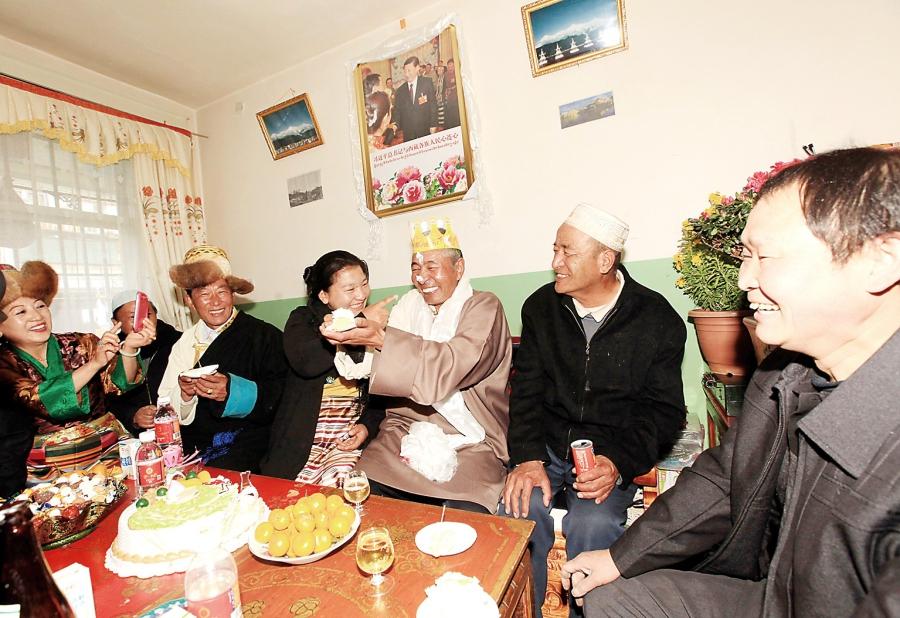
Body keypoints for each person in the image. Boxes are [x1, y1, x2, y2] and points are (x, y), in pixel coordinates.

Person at [562, 147, 900, 617]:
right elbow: (725, 478)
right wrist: (618, 558)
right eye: (745, 255)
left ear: (881, 261)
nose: (744, 279)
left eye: (765, 257)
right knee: (607, 595)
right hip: (775, 594)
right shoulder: (785, 371)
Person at [502, 204, 686, 617]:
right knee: (517, 509)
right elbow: (526, 389)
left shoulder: (658, 320)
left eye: (567, 252)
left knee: (595, 526)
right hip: (547, 448)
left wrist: (617, 462)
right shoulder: (540, 309)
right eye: (554, 250)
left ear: (606, 260)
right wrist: (528, 458)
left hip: (608, 453)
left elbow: (664, 412)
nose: (555, 263)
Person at [322, 219, 512, 513]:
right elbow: (371, 363)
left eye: (431, 267)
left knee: (466, 516)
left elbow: (453, 365)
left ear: (458, 268)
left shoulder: (483, 307)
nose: (422, 277)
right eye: (415, 268)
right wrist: (353, 336)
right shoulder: (409, 306)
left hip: (472, 438)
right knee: (358, 499)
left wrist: (381, 337)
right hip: (405, 429)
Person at [0, 261, 155, 474]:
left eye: (40, 306)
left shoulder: (81, 342)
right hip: (46, 470)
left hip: (109, 452)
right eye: (20, 312)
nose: (36, 317)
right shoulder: (4, 363)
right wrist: (94, 364)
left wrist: (128, 347)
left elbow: (117, 384)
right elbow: (39, 398)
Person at [260, 251, 390, 485]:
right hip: (302, 438)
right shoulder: (303, 320)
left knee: (346, 490)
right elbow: (306, 363)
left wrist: (366, 427)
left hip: (347, 438)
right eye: (350, 289)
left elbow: (384, 392)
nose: (361, 295)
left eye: (364, 284)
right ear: (323, 295)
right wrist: (356, 322)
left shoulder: (375, 326)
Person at [158, 245, 287, 472]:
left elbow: (283, 394)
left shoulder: (265, 336)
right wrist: (186, 395)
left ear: (233, 294)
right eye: (204, 294)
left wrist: (234, 392)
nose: (215, 302)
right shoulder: (184, 344)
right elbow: (166, 405)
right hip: (194, 445)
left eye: (222, 291)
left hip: (250, 442)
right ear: (188, 300)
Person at [105, 290, 181, 435]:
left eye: (148, 315)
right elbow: (109, 401)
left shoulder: (178, 342)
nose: (143, 322)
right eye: (134, 317)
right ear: (116, 323)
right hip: (140, 438)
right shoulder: (110, 352)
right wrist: (133, 415)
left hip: (181, 429)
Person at [393, 56, 438, 142]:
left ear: (417, 68)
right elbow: (397, 111)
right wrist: (395, 125)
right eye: (405, 71)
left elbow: (433, 105)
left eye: (409, 70)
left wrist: (433, 124)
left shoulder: (427, 83)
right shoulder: (400, 91)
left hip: (425, 129)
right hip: (408, 133)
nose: (406, 74)